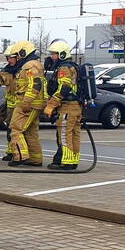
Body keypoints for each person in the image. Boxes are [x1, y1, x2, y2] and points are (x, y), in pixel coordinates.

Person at [43, 40, 83, 171]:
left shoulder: (64, 68)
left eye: (54, 54)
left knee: (65, 134)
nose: (52, 57)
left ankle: (66, 162)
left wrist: (51, 105)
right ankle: (73, 160)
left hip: (67, 106)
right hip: (76, 106)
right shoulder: (73, 66)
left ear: (62, 54)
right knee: (74, 134)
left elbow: (64, 87)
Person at [7, 40, 46, 167]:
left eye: (17, 55)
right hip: (34, 105)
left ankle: (19, 157)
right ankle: (35, 158)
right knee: (30, 133)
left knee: (16, 129)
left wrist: (26, 102)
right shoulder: (33, 64)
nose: (16, 58)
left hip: (28, 105)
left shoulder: (30, 66)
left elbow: (35, 85)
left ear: (23, 52)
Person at [0, 45, 21, 161]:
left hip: (22, 106)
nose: (9, 60)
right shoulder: (6, 71)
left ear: (18, 57)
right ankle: (11, 152)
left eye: (11, 57)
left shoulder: (23, 70)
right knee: (10, 130)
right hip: (10, 106)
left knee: (18, 131)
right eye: (7, 58)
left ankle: (19, 153)